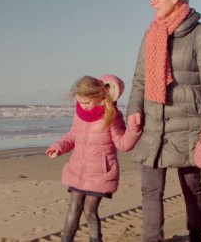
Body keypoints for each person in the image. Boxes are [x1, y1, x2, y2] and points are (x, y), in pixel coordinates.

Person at [126, 0, 201, 241]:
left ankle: (195, 232)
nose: (152, 2)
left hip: (189, 122)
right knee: (150, 190)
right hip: (153, 122)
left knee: (191, 185)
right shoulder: (151, 33)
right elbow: (139, 78)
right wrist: (134, 109)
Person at [46, 75, 142, 242]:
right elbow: (72, 135)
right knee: (74, 207)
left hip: (100, 173)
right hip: (77, 170)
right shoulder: (79, 114)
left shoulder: (112, 115)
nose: (83, 106)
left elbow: (123, 144)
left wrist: (133, 131)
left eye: (86, 103)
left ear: (99, 97)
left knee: (90, 210)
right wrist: (58, 146)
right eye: (80, 102)